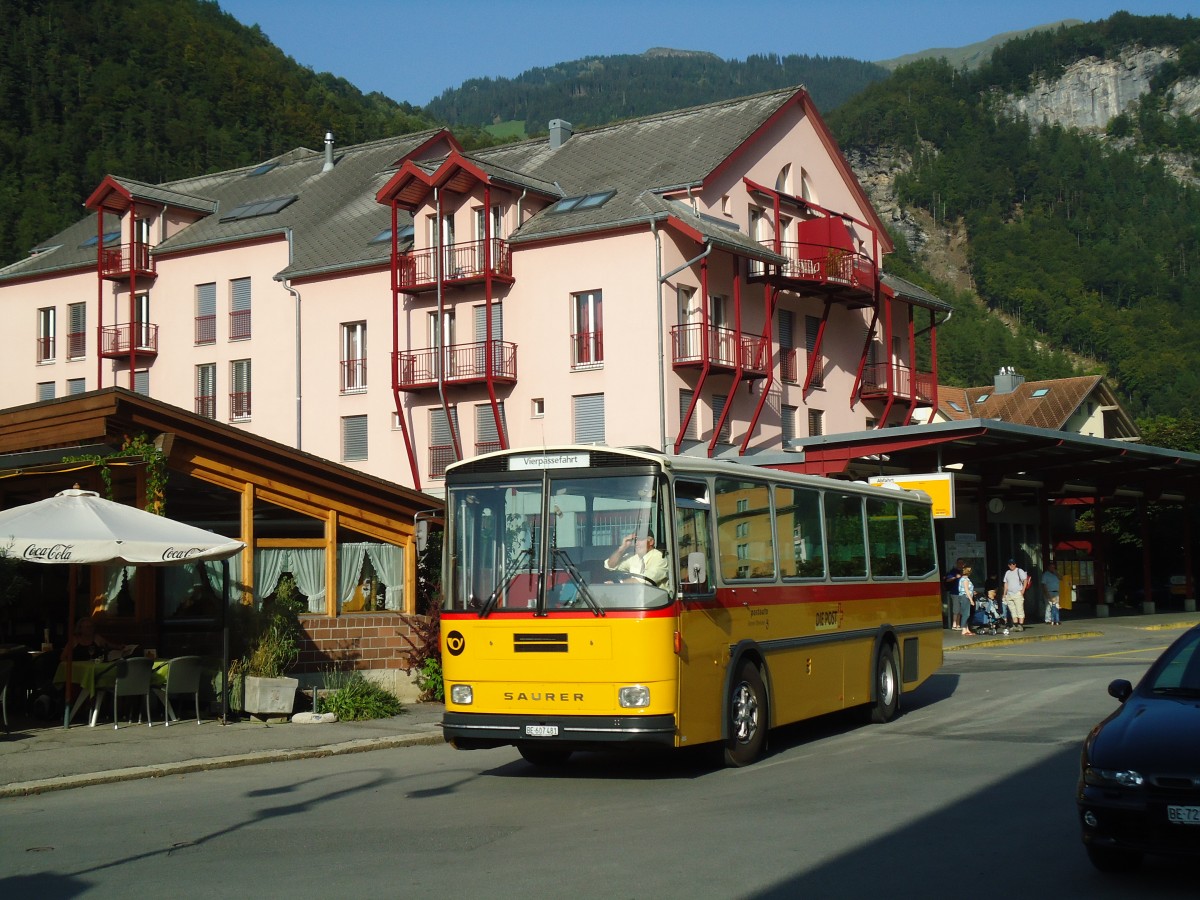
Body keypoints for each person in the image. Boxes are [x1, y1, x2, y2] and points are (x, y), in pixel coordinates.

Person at [1002, 559, 1031, 631]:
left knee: (1019, 609)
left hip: (1017, 592)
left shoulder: (1019, 570)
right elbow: (1006, 583)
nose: (1012, 565)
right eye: (1010, 564)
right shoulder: (1007, 572)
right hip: (1009, 593)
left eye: (1013, 564)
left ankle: (1020, 625)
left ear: (1015, 564)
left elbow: (1025, 580)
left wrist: (1023, 590)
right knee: (1012, 610)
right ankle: (1015, 624)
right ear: (1008, 565)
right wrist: (1004, 594)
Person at [944, 557, 964, 630]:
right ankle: (954, 624)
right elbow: (948, 580)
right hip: (955, 593)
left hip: (962, 593)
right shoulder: (953, 571)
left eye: (962, 563)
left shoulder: (963, 571)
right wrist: (955, 577)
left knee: (960, 610)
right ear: (956, 563)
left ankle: (958, 624)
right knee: (956, 609)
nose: (960, 564)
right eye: (959, 563)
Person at [958, 566, 976, 636]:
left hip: (965, 597)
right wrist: (971, 600)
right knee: (966, 613)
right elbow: (966, 590)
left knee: (966, 613)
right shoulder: (965, 580)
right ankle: (963, 629)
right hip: (965, 597)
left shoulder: (964, 579)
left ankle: (967, 629)